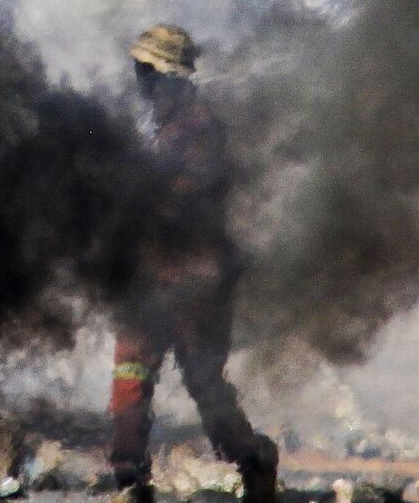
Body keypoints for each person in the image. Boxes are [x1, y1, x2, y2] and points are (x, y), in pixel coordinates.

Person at [108, 25, 277, 503]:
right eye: (139, 70)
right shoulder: (159, 128)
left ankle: (254, 460)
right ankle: (129, 477)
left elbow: (185, 199)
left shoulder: (198, 129)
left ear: (174, 79)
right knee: (130, 372)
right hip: (151, 275)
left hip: (194, 279)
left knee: (203, 381)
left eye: (150, 72)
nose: (141, 82)